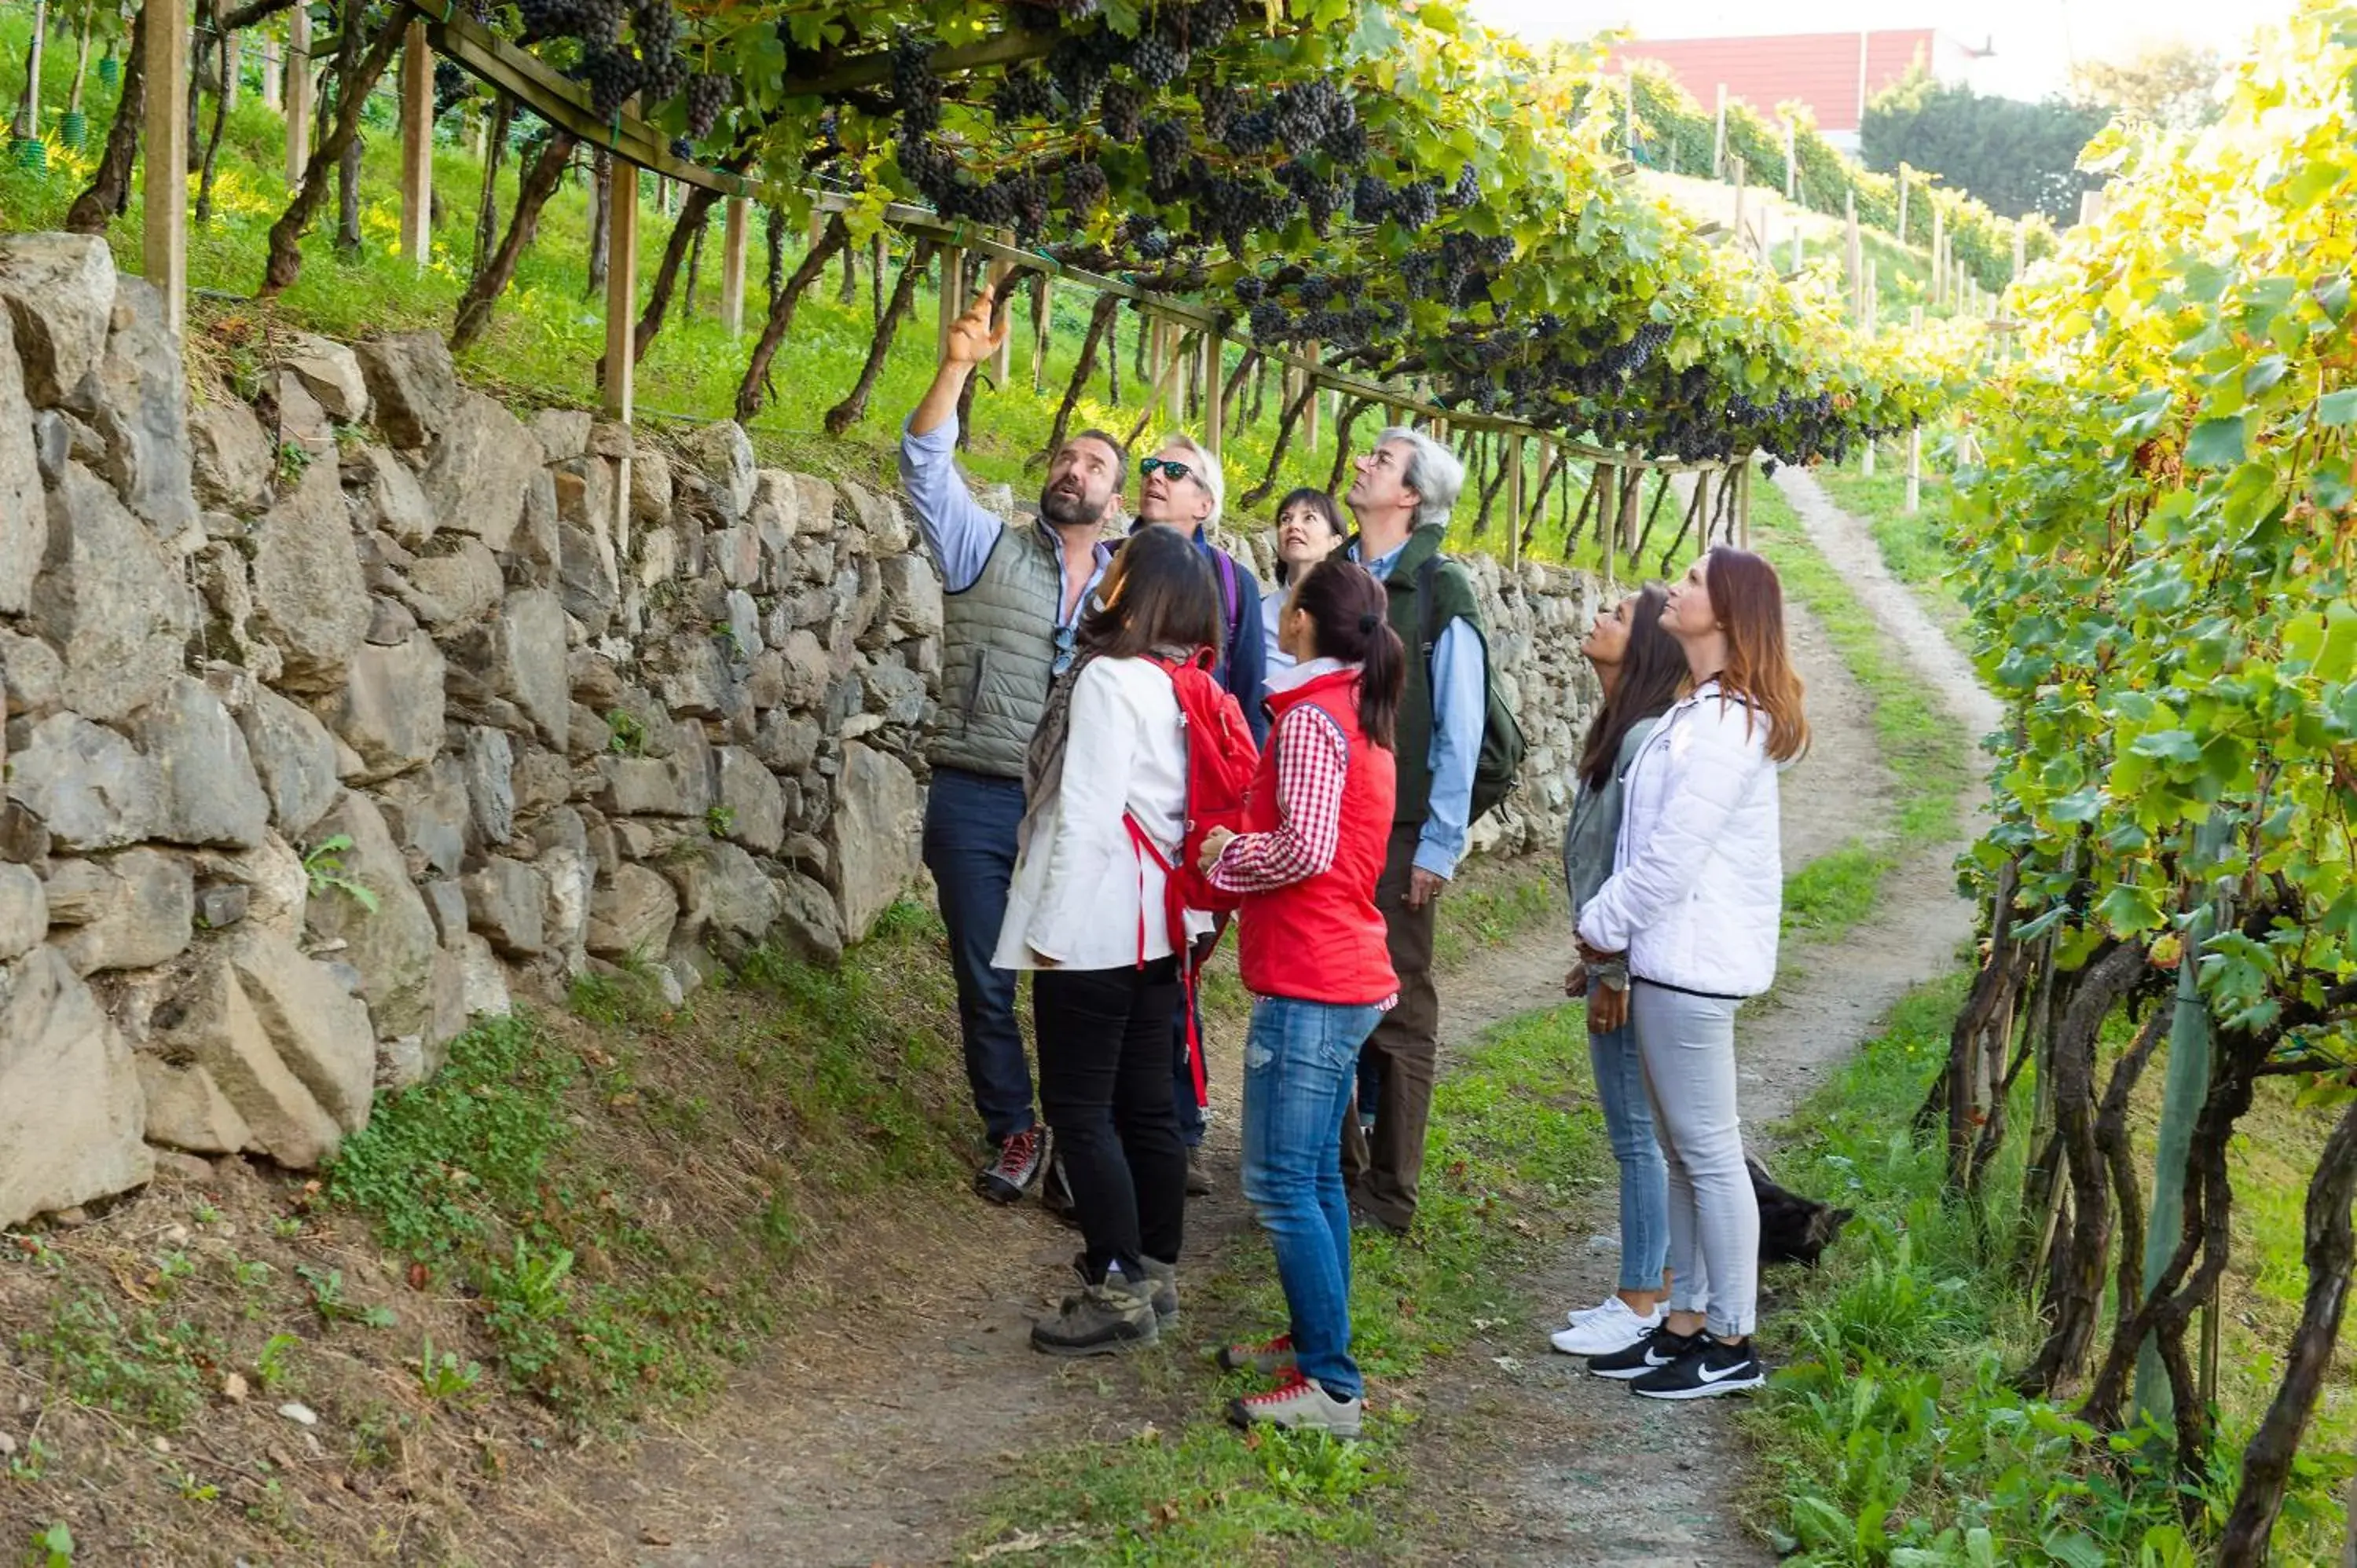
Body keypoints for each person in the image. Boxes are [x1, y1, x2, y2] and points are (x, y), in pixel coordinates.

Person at [900, 282, 1123, 1209]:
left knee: (1071, 980)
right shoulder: (982, 548)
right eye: (1065, 457)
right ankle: (1013, 1126)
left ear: (1114, 500)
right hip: (978, 791)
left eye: (1093, 465)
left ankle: (1081, 1140)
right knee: (986, 974)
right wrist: (956, 366)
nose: (1072, 470)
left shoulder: (1135, 588)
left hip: (1080, 807)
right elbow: (923, 463)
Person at [1575, 547, 1808, 1400]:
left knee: (1710, 1154)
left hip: (1694, 964)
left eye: (1694, 583)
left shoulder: (1727, 724)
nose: (1675, 591)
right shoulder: (1701, 711)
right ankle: (1684, 1322)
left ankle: (1734, 1339)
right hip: (1670, 957)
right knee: (1684, 1154)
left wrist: (1600, 922)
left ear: (1730, 612)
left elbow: (1669, 860)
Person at [996, 526, 1223, 1357]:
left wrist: (1048, 933)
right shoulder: (1182, 681)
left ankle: (1117, 1284)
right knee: (1148, 1107)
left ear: (1139, 591)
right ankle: (1155, 1271)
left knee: (1081, 1113)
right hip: (1157, 924)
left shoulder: (1108, 679)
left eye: (1119, 570)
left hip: (1094, 924)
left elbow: (1087, 814)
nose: (1106, 579)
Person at [1199, 558, 1404, 1439]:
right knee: (1315, 1174)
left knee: (1283, 1182)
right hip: (1337, 972)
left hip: (1315, 980)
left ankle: (1331, 1385)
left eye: (1291, 603)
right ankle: (1319, 1345)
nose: (1277, 612)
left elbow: (1305, 847)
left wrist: (1224, 857)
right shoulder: (1357, 712)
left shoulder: (1317, 721)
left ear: (1306, 622)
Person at [1335, 427, 1481, 1236]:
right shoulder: (1344, 577)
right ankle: (1336, 1172)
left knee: (1397, 1009)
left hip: (1397, 832)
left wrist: (1437, 844)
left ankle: (1390, 1194)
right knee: (1327, 991)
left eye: (1380, 460)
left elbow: (1460, 725)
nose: (1361, 463)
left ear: (1413, 496)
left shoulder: (1439, 588)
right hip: (1335, 822)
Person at [1547, 584, 1686, 1359]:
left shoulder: (1641, 743)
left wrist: (1613, 970)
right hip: (1614, 962)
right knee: (1640, 1135)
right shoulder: (1623, 732)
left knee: (1637, 1136)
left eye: (1620, 614)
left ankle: (1641, 1298)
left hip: (1629, 970)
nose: (1599, 614)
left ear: (1644, 651)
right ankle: (1652, 1284)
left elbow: (1639, 870)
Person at [1129, 433, 1269, 1190]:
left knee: (1175, 964)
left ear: (1205, 503)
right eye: (1148, 466)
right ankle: (1158, 1127)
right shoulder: (1114, 563)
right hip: (1129, 807)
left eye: (1174, 471)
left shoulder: (1235, 586)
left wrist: (1229, 821)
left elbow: (1244, 709)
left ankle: (1175, 1130)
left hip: (1200, 817)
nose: (1154, 477)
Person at [1259, 489, 1347, 680]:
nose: (1293, 526)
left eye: (1309, 518)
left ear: (1335, 541)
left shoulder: (1349, 612)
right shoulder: (1259, 612)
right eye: (1285, 519)